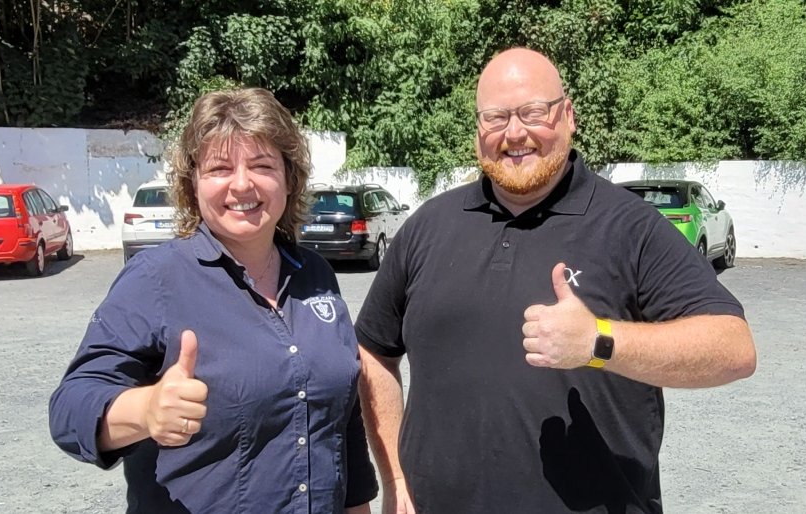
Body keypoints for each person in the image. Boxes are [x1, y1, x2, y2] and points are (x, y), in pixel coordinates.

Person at [355, 48, 757, 513]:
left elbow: (734, 349)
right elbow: (374, 351)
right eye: (495, 117)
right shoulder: (430, 225)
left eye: (533, 113)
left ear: (568, 116)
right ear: (477, 130)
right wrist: (396, 478)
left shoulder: (629, 227)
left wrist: (599, 341)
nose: (514, 133)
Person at [49, 88, 378, 513]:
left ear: (289, 178)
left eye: (262, 165)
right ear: (193, 182)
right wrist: (146, 409)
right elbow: (69, 407)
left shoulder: (315, 275)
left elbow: (341, 421)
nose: (242, 184)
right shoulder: (156, 279)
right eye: (220, 168)